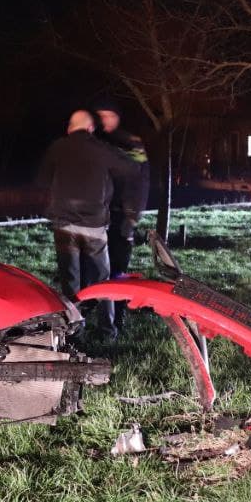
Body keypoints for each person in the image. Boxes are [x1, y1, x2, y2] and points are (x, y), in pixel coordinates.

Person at [36, 110, 142, 340]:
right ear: (91, 128)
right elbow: (132, 168)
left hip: (63, 226)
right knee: (102, 281)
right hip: (94, 225)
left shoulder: (57, 147)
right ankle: (108, 331)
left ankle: (74, 329)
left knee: (70, 282)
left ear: (69, 128)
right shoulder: (100, 149)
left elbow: (42, 180)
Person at [92, 98, 150, 280]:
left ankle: (118, 305)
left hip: (122, 211)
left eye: (109, 116)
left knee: (118, 263)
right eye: (101, 116)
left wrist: (133, 215)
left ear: (118, 118)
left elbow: (141, 180)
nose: (105, 120)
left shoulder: (130, 143)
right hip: (97, 211)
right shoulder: (92, 141)